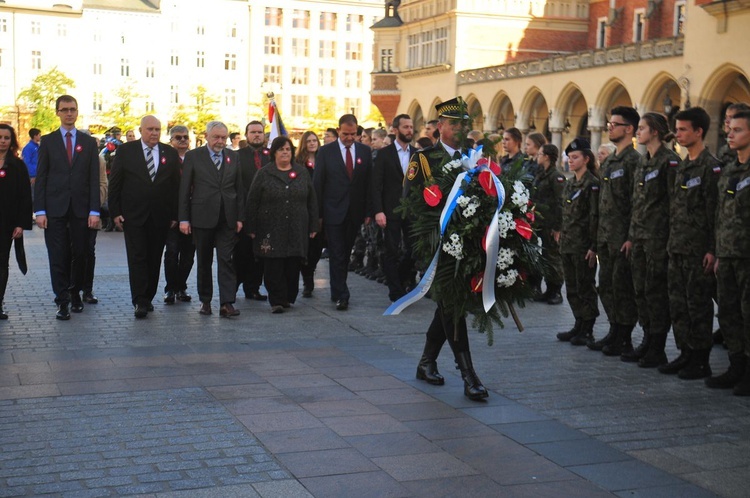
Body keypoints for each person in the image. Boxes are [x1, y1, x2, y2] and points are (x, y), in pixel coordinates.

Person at [405, 96, 488, 401]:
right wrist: (424, 241)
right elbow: (411, 205)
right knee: (452, 306)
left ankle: (426, 362)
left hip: (466, 246)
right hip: (437, 247)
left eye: (463, 123)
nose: (459, 128)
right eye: (453, 123)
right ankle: (469, 375)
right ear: (440, 126)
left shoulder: (474, 158)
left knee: (449, 305)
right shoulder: (424, 159)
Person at [660, 107, 720, 378]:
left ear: (699, 132)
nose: (679, 134)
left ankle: (700, 359)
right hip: (677, 247)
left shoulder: (711, 167)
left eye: (684, 129)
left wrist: (711, 249)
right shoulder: (683, 165)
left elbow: (714, 212)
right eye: (677, 129)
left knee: (698, 305)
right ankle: (685, 352)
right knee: (678, 304)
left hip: (697, 251)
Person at [618, 113, 680, 366]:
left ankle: (657, 346)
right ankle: (646, 339)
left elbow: (675, 203)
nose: (637, 132)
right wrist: (631, 237)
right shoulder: (644, 161)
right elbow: (638, 203)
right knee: (641, 291)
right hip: (641, 238)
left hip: (658, 238)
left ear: (654, 131)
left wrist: (669, 239)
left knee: (656, 293)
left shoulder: (669, 161)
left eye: (642, 128)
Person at [34, 95, 101, 320]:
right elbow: (41, 177)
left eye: (72, 109)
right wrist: (40, 211)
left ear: (77, 111)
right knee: (58, 255)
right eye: (64, 110)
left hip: (82, 210)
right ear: (58, 113)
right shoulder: (48, 141)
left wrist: (95, 210)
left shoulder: (89, 142)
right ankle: (61, 300)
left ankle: (75, 293)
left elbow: (94, 178)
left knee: (80, 253)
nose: (69, 113)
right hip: (54, 210)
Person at [108, 116, 181, 318]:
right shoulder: (126, 151)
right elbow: (115, 182)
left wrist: (175, 214)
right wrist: (115, 212)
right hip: (133, 215)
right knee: (137, 256)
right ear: (141, 130)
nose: (154, 133)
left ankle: (148, 297)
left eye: (157, 129)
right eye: (150, 129)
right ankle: (139, 299)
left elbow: (176, 187)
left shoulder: (170, 153)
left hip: (160, 216)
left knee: (154, 257)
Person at [178, 121, 244, 318]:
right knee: (204, 260)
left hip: (227, 217)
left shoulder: (233, 156)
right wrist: (183, 219)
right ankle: (205, 301)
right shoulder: (193, 156)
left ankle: (227, 303)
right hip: (202, 216)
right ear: (206, 136)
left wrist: (240, 217)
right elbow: (184, 190)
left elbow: (239, 188)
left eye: (224, 138)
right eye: (216, 137)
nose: (220, 141)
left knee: (226, 259)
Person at [246, 136, 318, 313]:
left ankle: (287, 297)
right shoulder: (264, 173)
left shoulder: (302, 173)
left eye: (288, 149)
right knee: (273, 264)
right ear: (274, 153)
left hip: (297, 226)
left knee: (293, 263)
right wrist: (251, 226)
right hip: (270, 227)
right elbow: (252, 201)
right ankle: (276, 300)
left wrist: (314, 225)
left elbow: (312, 201)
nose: (285, 152)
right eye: (281, 149)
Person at [707, 109, 750, 394]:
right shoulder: (731, 168)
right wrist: (717, 251)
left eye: (737, 130)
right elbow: (721, 214)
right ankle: (737, 366)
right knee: (730, 313)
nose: (730, 134)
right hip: (728, 253)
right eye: (729, 129)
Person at [592, 106, 641, 352]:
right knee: (607, 286)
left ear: (629, 129)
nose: (610, 127)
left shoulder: (634, 161)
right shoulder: (609, 161)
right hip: (605, 235)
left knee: (623, 289)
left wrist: (631, 236)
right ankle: (614, 329)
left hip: (622, 237)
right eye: (609, 124)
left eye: (615, 124)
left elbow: (636, 202)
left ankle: (625, 335)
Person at [313, 114, 372, 311]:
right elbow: (318, 184)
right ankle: (342, 294)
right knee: (337, 252)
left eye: (353, 134)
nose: (349, 138)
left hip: (354, 212)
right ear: (339, 131)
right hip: (332, 211)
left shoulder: (364, 151)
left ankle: (337, 290)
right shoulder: (326, 152)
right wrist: (318, 215)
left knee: (345, 253)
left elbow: (367, 185)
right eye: (345, 134)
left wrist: (368, 211)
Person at [556, 138, 600, 345]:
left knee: (585, 286)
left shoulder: (592, 184)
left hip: (583, 245)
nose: (570, 161)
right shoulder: (570, 182)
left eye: (575, 157)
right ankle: (578, 323)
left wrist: (594, 246)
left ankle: (588, 328)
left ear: (586, 159)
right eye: (569, 158)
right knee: (572, 287)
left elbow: (595, 216)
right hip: (568, 244)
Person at [372, 113, 416, 302]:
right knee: (391, 250)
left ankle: (399, 276)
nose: (409, 131)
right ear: (396, 130)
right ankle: (395, 290)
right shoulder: (384, 154)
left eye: (411, 127)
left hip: (412, 211)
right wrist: (378, 211)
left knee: (414, 250)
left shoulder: (417, 154)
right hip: (390, 211)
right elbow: (375, 185)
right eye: (406, 127)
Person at [0, 124, 33, 320]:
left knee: (2, 263)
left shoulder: (18, 165)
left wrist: (21, 224)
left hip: (7, 224)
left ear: (11, 141)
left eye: (6, 137)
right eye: (0, 137)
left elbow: (24, 196)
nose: (2, 140)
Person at [236, 121, 270, 301]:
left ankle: (253, 287)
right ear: (246, 134)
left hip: (266, 214)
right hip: (244, 212)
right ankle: (232, 288)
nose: (257, 135)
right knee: (242, 253)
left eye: (260, 132)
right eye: (253, 132)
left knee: (260, 253)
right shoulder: (236, 156)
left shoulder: (271, 156)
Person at [163, 125, 195, 304]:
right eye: (178, 137)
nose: (182, 140)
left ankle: (181, 286)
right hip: (172, 216)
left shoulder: (195, 158)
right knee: (172, 252)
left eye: (185, 137)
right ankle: (170, 289)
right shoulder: (166, 159)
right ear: (171, 141)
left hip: (193, 214)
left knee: (188, 255)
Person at [531, 143, 565, 305]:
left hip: (551, 224)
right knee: (543, 256)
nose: (538, 156)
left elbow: (560, 203)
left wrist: (558, 228)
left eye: (540, 154)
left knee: (553, 257)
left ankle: (556, 291)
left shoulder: (556, 176)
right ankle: (546, 290)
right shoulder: (541, 174)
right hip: (539, 222)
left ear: (546, 157)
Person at [297, 130, 324, 298]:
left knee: (317, 246)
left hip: (321, 209)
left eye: (315, 140)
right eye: (309, 141)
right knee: (305, 246)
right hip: (303, 210)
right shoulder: (298, 163)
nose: (313, 143)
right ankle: (307, 278)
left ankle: (311, 270)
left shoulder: (323, 160)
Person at [22, 128, 41, 198]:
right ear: (35, 136)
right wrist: (33, 175)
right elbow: (26, 162)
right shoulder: (28, 148)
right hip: (33, 176)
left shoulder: (37, 147)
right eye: (39, 135)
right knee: (33, 196)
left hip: (39, 174)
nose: (40, 136)